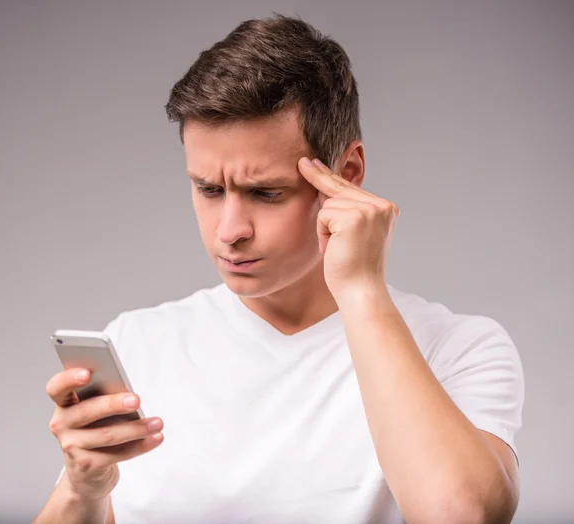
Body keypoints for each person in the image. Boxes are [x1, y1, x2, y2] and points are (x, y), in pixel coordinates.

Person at [34, 14, 524, 524]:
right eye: (208, 189)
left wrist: (361, 290)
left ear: (346, 175)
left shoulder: (460, 349)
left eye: (266, 193)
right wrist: (82, 489)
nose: (229, 230)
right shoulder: (137, 342)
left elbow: (461, 517)